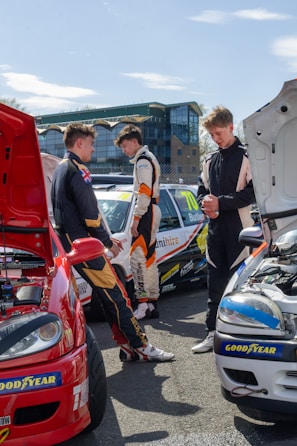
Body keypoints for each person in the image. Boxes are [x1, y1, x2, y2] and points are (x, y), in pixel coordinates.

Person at [51, 122, 174, 363]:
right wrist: (108, 242)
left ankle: (127, 346)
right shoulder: (78, 169)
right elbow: (91, 215)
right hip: (85, 246)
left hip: (69, 245)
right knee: (118, 296)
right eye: (91, 144)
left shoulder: (60, 168)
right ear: (79, 143)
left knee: (108, 297)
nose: (93, 150)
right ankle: (142, 345)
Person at [192, 106, 255, 353]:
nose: (216, 139)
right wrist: (205, 205)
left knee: (240, 283)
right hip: (215, 230)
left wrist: (222, 203)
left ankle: (241, 336)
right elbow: (201, 192)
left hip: (241, 230)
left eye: (219, 133)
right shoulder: (209, 160)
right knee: (215, 282)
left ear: (230, 127)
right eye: (212, 135)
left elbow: (252, 193)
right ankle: (212, 333)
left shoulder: (247, 155)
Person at [114, 124, 161, 321]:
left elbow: (143, 191)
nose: (124, 150)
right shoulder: (148, 158)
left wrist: (135, 218)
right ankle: (150, 303)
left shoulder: (143, 160)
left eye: (125, 146)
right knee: (148, 259)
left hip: (146, 211)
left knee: (138, 258)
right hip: (152, 209)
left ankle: (142, 304)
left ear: (135, 142)